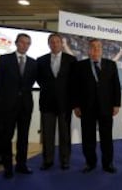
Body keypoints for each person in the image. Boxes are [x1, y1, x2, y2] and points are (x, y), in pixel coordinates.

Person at [73, 38, 121, 174]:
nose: (96, 49)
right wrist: (76, 105)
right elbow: (75, 88)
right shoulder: (80, 65)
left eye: (98, 47)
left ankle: (108, 163)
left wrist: (116, 104)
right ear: (88, 50)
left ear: (102, 49)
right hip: (86, 108)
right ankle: (90, 163)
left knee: (106, 137)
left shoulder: (111, 64)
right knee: (88, 137)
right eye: (93, 47)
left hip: (106, 107)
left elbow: (116, 86)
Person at [0, 33, 37, 179]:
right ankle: (7, 167)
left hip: (25, 105)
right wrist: (7, 96)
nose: (25, 45)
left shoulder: (32, 62)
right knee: (6, 136)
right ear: (16, 43)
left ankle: (21, 165)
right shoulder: (5, 59)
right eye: (22, 42)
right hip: (7, 105)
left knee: (23, 137)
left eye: (28, 43)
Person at [37, 33, 77, 170]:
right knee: (47, 134)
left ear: (61, 43)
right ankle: (47, 160)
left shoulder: (71, 60)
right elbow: (39, 80)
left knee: (65, 134)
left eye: (57, 42)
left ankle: (65, 160)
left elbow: (74, 82)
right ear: (49, 44)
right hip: (47, 103)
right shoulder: (40, 60)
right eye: (52, 42)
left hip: (65, 104)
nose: (54, 44)